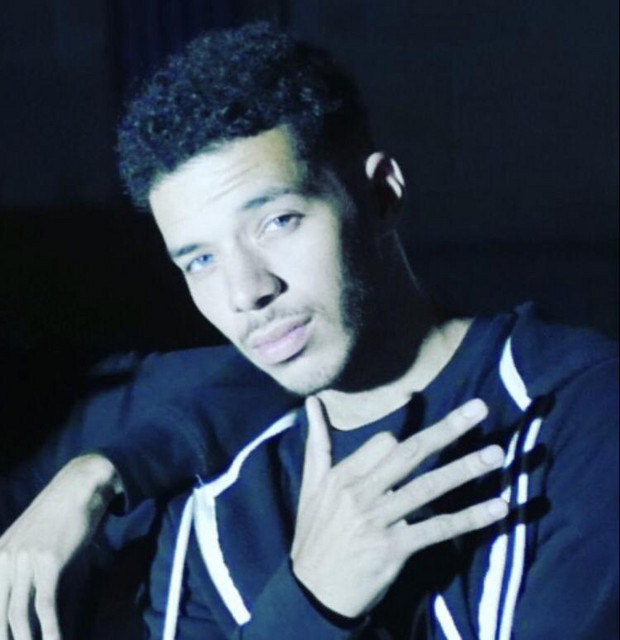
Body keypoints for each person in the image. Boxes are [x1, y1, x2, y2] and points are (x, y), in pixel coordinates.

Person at [1, 22, 617, 640]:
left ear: (380, 196)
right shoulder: (212, 512)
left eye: (278, 221)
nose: (246, 291)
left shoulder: (580, 405)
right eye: (201, 260)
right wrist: (313, 604)